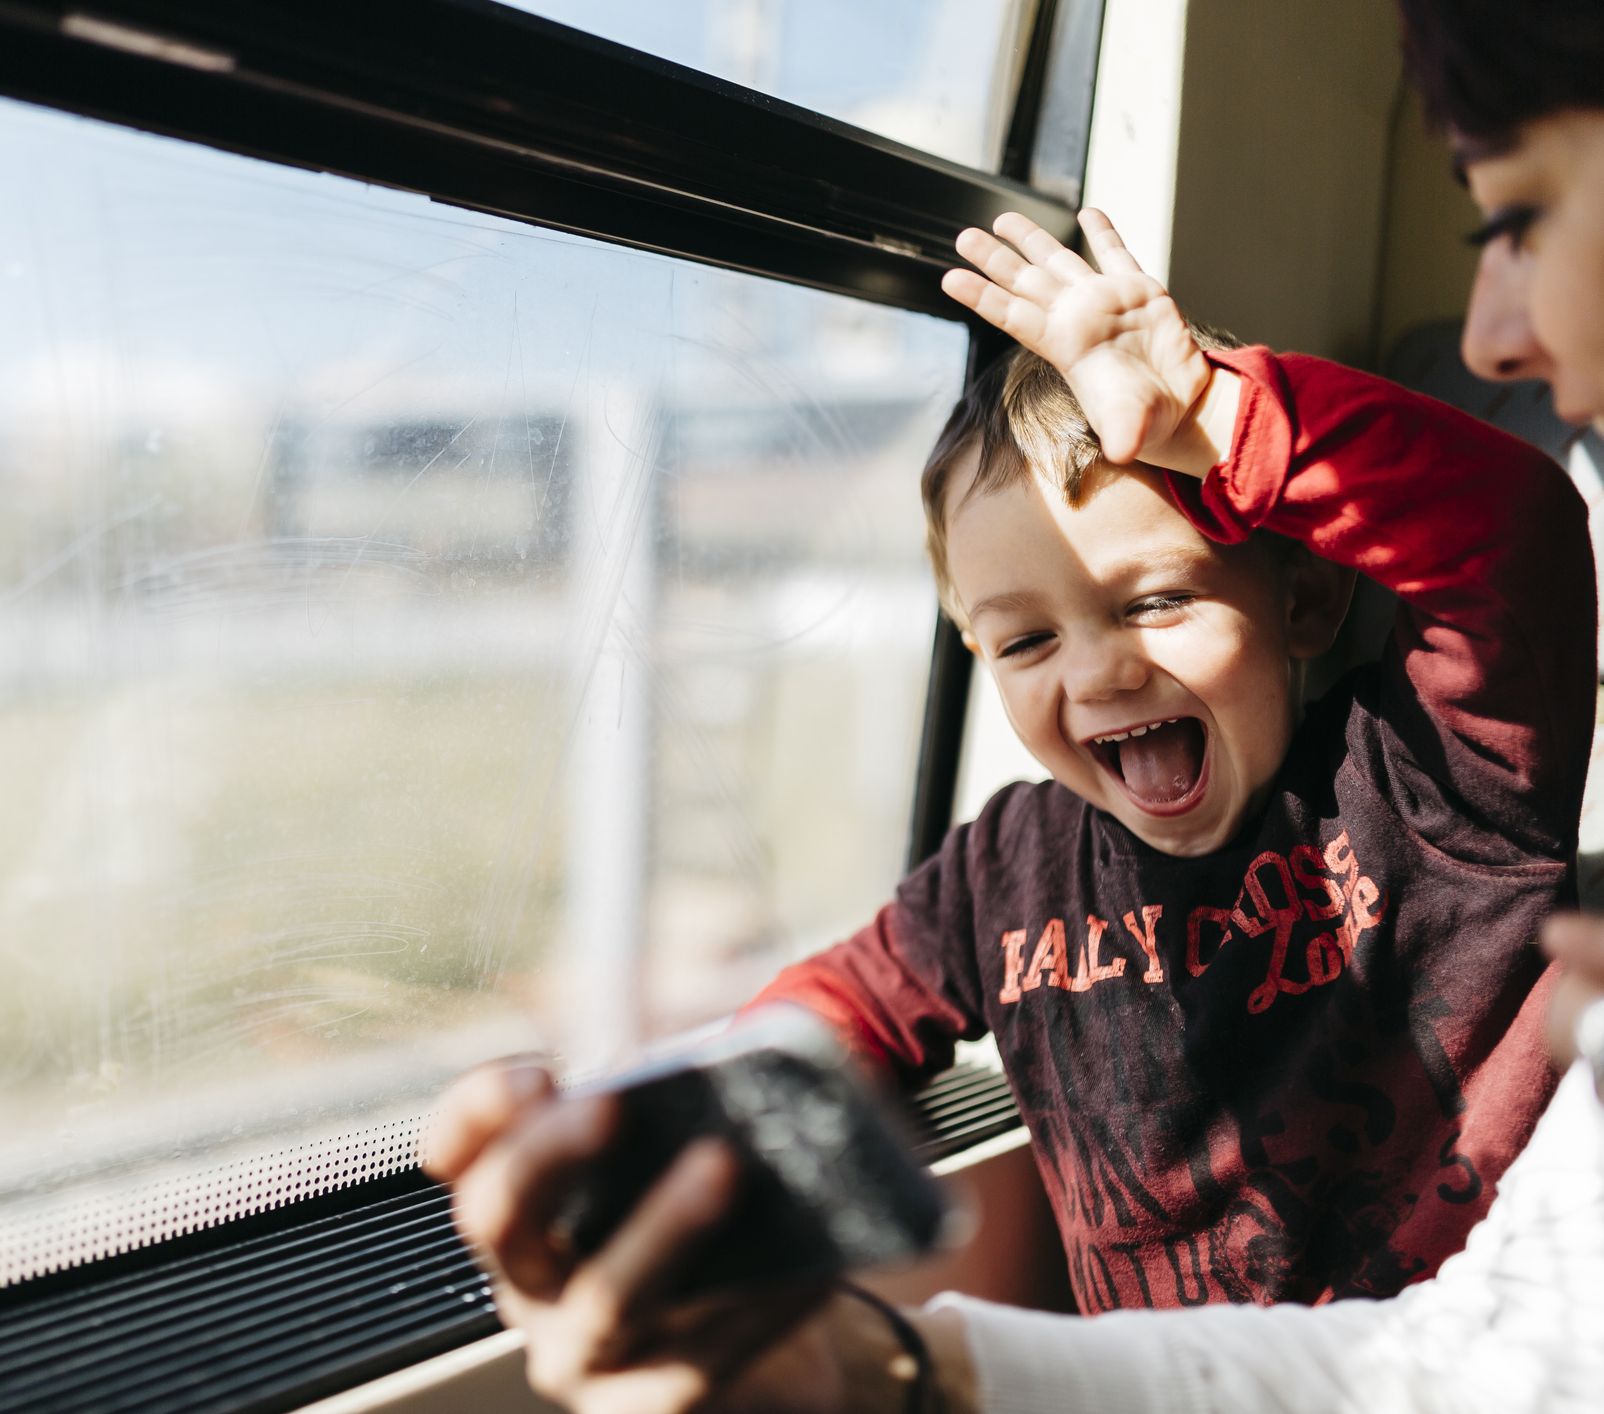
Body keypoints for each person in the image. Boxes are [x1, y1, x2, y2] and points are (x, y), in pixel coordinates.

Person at [426, 0, 1604, 1406]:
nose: (1098, 672)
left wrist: (1204, 419)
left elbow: (1513, 536)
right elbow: (848, 996)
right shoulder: (1006, 869)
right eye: (1021, 639)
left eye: (1156, 602)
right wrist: (721, 1110)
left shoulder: (1424, 780)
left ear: (1299, 603)